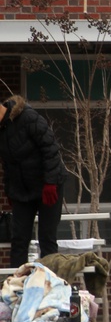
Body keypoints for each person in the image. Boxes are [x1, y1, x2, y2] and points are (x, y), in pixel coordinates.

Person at [0, 95, 67, 268]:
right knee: (19, 239)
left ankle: (50, 285)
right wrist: (9, 191)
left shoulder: (27, 117)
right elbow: (7, 164)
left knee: (47, 238)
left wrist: (50, 183)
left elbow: (51, 149)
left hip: (48, 185)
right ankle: (17, 286)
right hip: (22, 190)